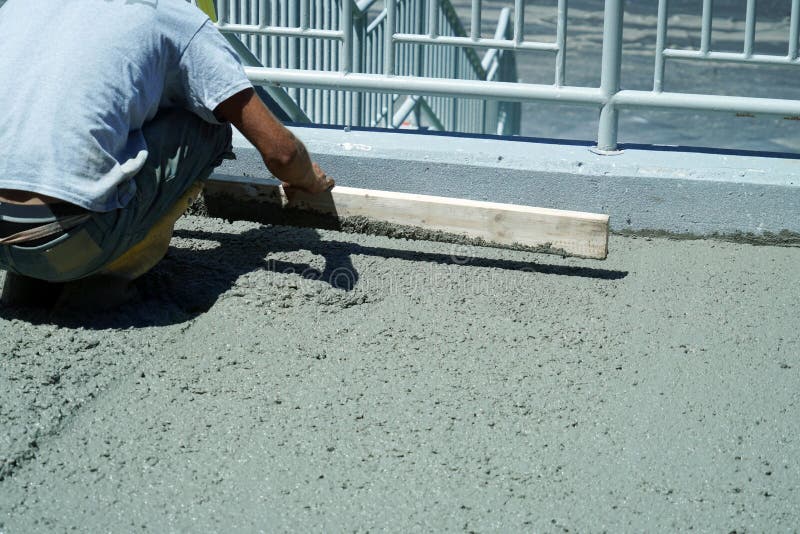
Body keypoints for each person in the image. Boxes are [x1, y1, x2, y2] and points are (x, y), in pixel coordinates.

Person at [0, 0, 333, 308]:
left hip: (4, 243)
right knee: (209, 122)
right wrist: (310, 179)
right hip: (73, 244)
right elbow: (282, 154)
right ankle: (110, 274)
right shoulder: (171, 15)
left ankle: (29, 279)